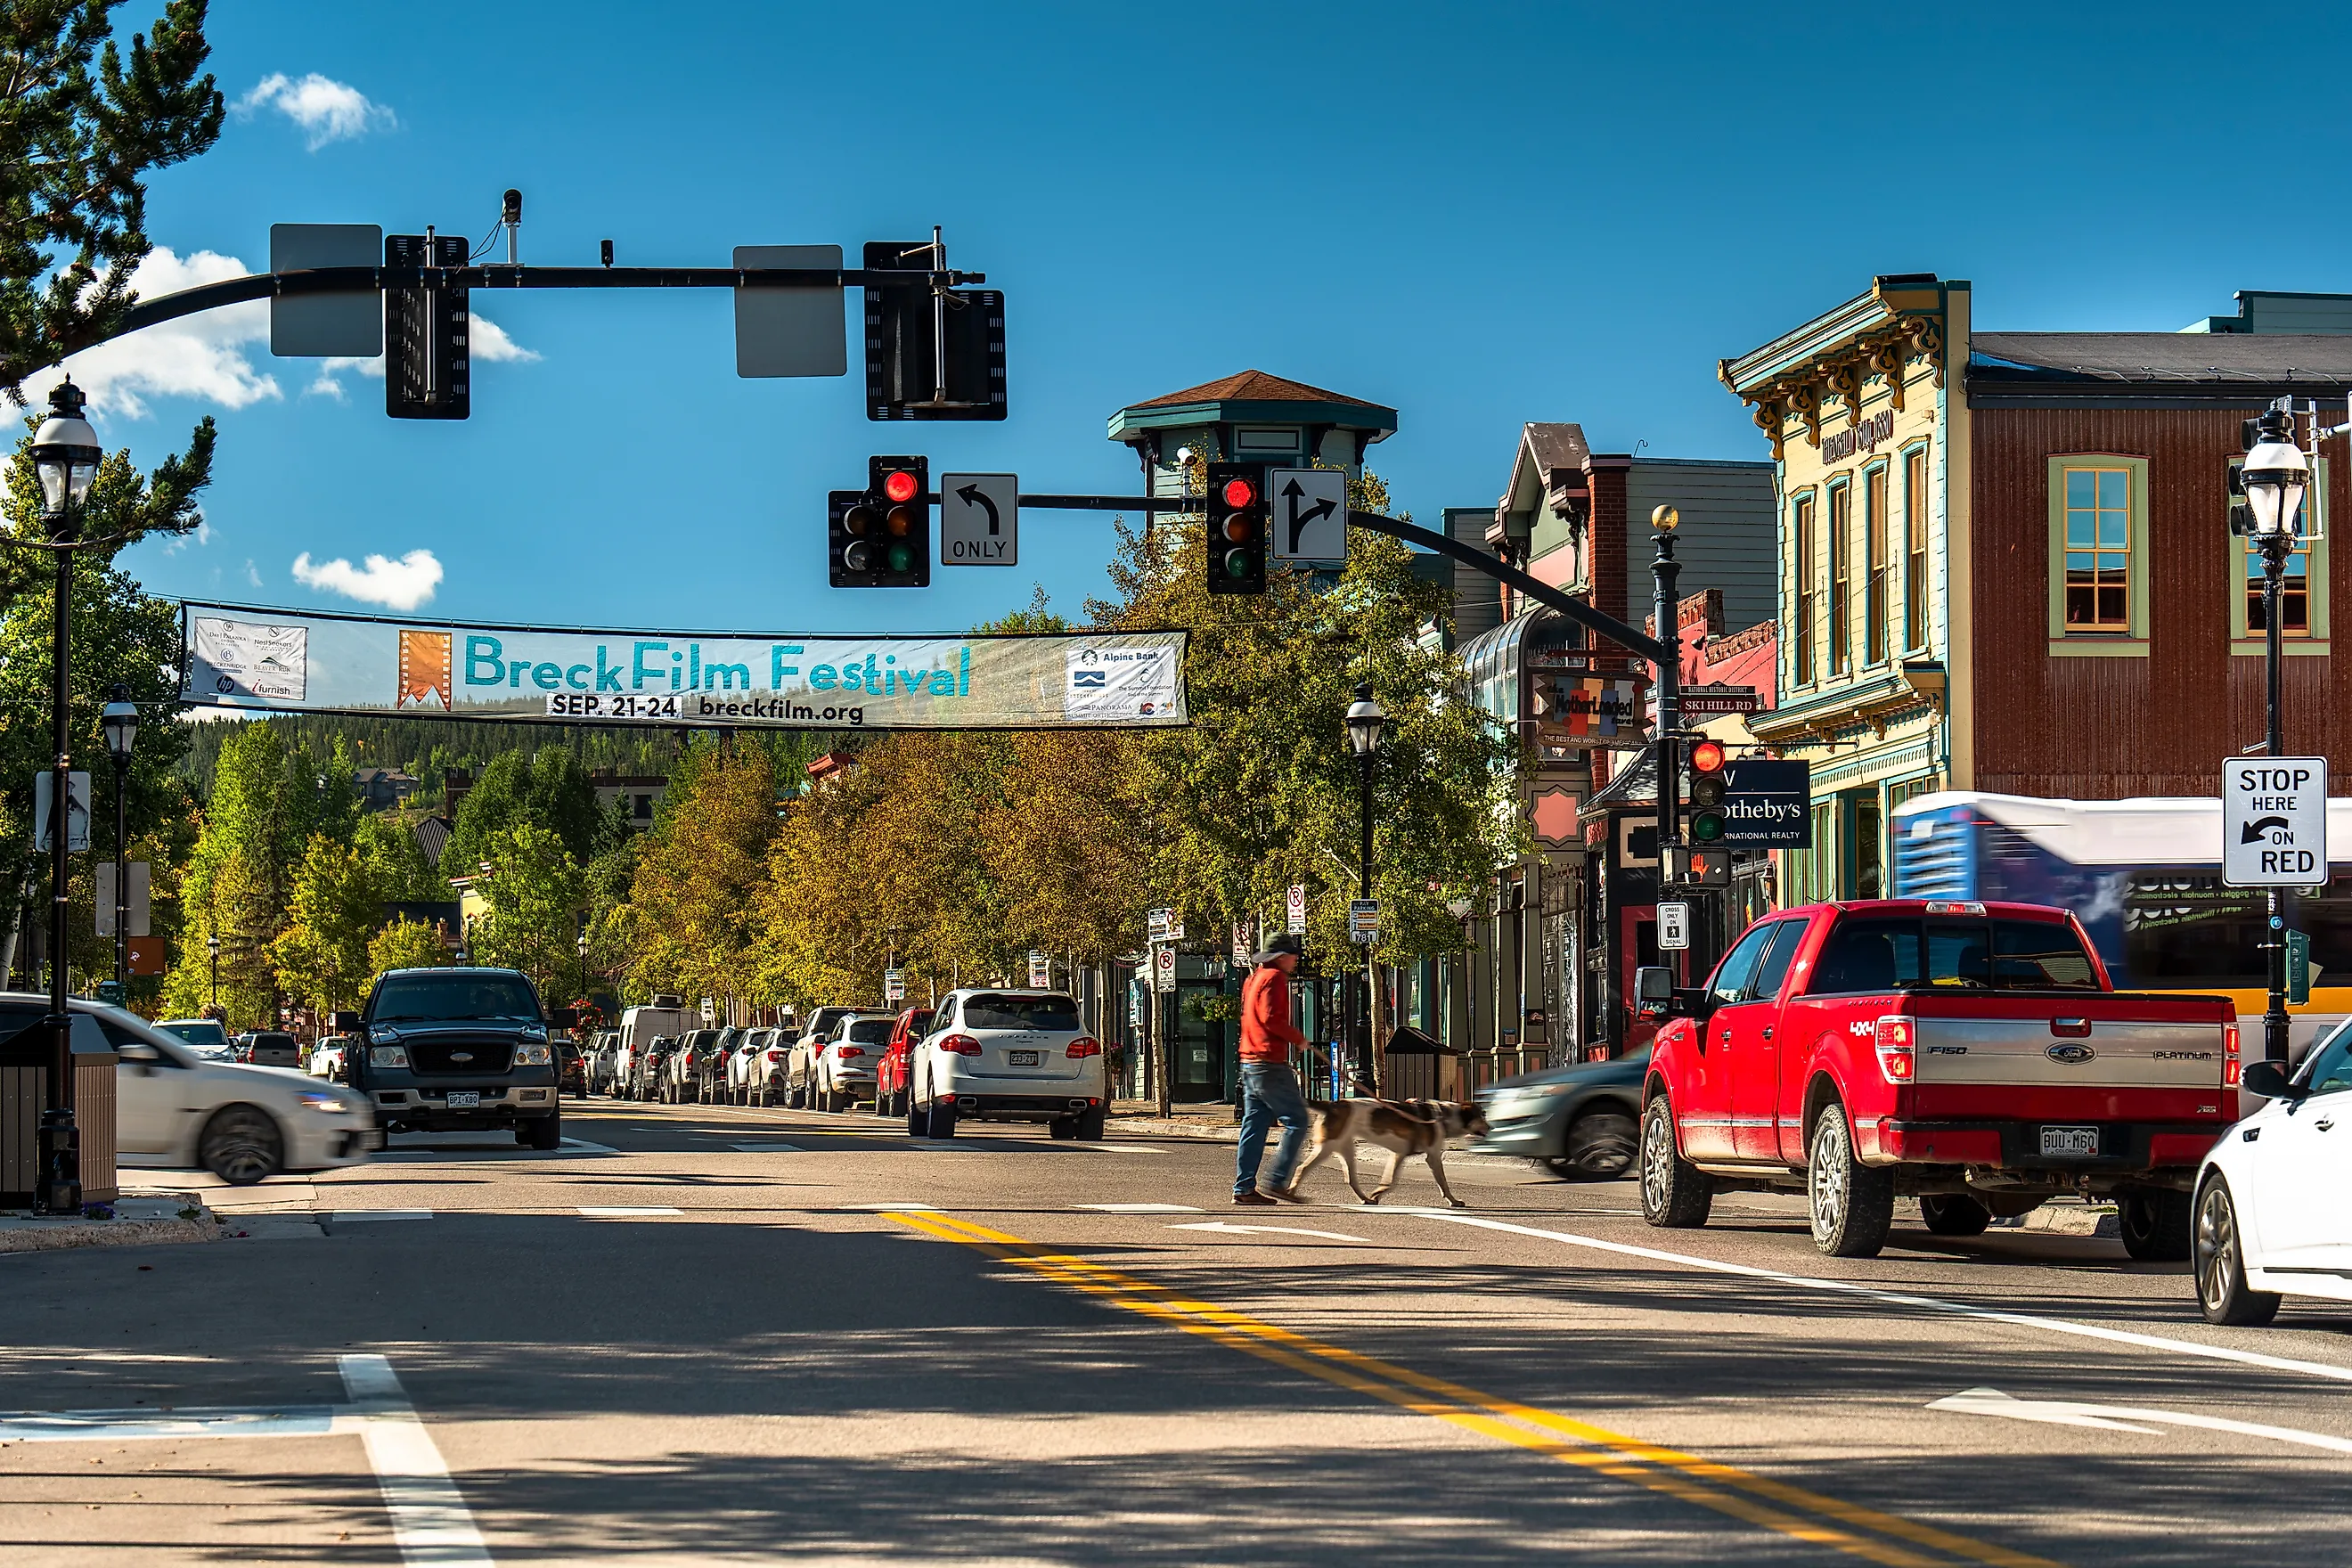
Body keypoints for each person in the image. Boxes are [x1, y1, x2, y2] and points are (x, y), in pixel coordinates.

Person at [1234, 935, 1312, 1205]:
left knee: (1254, 1125)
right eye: (1292, 955)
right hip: (1268, 1061)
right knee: (1298, 1120)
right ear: (1280, 957)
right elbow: (1271, 1018)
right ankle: (1277, 1180)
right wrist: (1298, 1038)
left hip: (1250, 1060)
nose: (1296, 958)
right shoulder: (1275, 979)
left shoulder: (1253, 978)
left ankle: (1244, 1188)